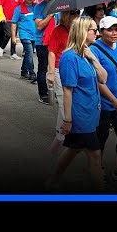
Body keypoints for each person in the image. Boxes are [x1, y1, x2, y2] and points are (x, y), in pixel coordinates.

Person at [46, 16, 107, 192]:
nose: (97, 33)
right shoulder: (69, 57)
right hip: (81, 115)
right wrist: (67, 119)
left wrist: (93, 59)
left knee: (74, 148)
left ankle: (52, 180)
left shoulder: (88, 53)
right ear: (82, 32)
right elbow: (67, 91)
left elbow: (103, 79)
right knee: (95, 155)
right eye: (93, 30)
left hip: (91, 112)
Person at [90, 16, 117, 183]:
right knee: (101, 138)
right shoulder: (94, 50)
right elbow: (98, 81)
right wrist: (114, 101)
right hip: (103, 103)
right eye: (110, 30)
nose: (115, 33)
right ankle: (97, 169)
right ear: (101, 32)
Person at [47, 9, 81, 153]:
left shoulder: (79, 30)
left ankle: (60, 129)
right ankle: (61, 135)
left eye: (78, 12)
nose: (76, 15)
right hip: (60, 70)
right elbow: (52, 52)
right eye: (73, 13)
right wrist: (51, 73)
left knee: (69, 102)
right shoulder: (58, 31)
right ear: (66, 15)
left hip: (75, 70)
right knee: (63, 102)